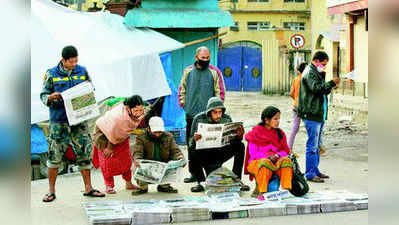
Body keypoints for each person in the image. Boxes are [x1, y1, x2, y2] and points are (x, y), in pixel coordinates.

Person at [40, 46, 105, 202]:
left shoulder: (82, 71)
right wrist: (50, 98)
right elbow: (43, 95)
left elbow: (91, 88)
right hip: (59, 121)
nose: (74, 64)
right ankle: (51, 191)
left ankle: (88, 188)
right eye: (71, 61)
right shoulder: (51, 74)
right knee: (54, 155)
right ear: (63, 60)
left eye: (76, 60)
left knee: (85, 153)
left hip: (79, 120)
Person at [178, 46, 226, 184]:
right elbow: (182, 89)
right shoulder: (188, 71)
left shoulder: (214, 72)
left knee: (212, 144)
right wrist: (184, 105)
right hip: (191, 115)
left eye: (207, 58)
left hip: (209, 117)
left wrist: (217, 111)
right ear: (196, 57)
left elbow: (220, 92)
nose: (205, 60)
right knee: (192, 144)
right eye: (203, 58)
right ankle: (195, 174)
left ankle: (213, 174)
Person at [188, 97, 250, 192]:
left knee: (240, 145)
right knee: (192, 148)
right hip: (205, 153)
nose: (218, 115)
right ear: (209, 112)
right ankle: (201, 181)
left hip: (221, 152)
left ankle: (237, 179)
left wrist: (239, 136)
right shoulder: (198, 118)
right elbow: (190, 141)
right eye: (215, 112)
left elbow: (232, 140)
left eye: (220, 112)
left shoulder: (227, 118)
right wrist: (195, 139)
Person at [297, 51, 340, 183]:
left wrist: (327, 82)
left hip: (318, 113)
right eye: (323, 64)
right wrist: (331, 83)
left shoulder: (316, 72)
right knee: (312, 145)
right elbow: (316, 88)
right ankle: (310, 173)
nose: (324, 67)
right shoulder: (310, 72)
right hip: (311, 113)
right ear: (316, 61)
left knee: (317, 144)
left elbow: (322, 89)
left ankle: (315, 170)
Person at [93, 95, 145, 194]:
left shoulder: (135, 113)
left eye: (140, 110)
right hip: (104, 133)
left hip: (121, 134)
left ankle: (128, 183)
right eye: (136, 111)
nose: (138, 114)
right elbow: (113, 134)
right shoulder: (120, 118)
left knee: (126, 159)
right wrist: (109, 147)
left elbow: (123, 130)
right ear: (128, 109)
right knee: (108, 160)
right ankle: (109, 185)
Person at [244, 106, 293, 199]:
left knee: (286, 161)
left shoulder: (280, 133)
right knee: (265, 163)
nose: (278, 121)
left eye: (279, 119)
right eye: (275, 119)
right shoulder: (255, 133)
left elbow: (285, 151)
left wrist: (277, 155)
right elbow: (253, 153)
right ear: (266, 120)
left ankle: (287, 190)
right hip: (257, 163)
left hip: (275, 161)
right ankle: (262, 192)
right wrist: (267, 157)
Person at [132, 116, 186, 195]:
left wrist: (180, 158)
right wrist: (137, 160)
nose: (157, 135)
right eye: (155, 132)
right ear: (148, 129)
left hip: (163, 164)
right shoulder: (141, 138)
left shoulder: (168, 137)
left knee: (177, 165)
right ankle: (143, 187)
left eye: (160, 132)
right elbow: (137, 152)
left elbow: (175, 151)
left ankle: (164, 186)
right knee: (135, 167)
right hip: (148, 165)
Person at [288, 62, 307, 151]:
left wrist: (296, 99)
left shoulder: (296, 79)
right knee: (310, 127)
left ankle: (289, 148)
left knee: (295, 127)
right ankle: (317, 147)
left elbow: (291, 93)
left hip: (295, 105)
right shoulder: (305, 80)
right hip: (304, 106)